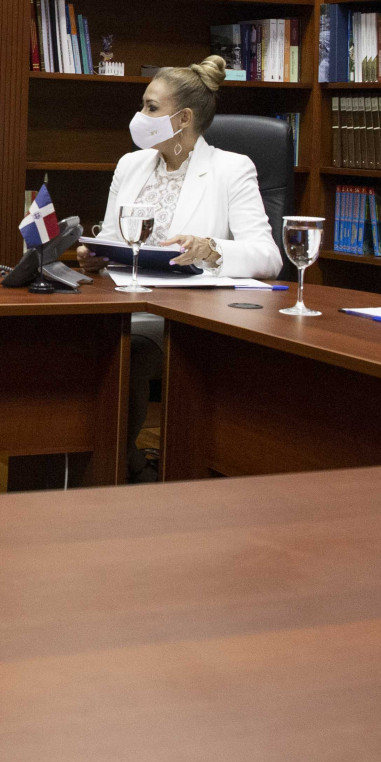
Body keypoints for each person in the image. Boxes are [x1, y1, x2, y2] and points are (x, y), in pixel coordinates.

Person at [102, 54, 284, 478]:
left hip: (187, 316)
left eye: (151, 107)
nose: (139, 116)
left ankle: (122, 466)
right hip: (124, 302)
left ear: (182, 118)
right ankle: (88, 463)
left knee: (129, 348)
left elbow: (269, 257)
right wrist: (96, 254)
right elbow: (112, 238)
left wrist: (210, 248)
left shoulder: (231, 169)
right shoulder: (131, 165)